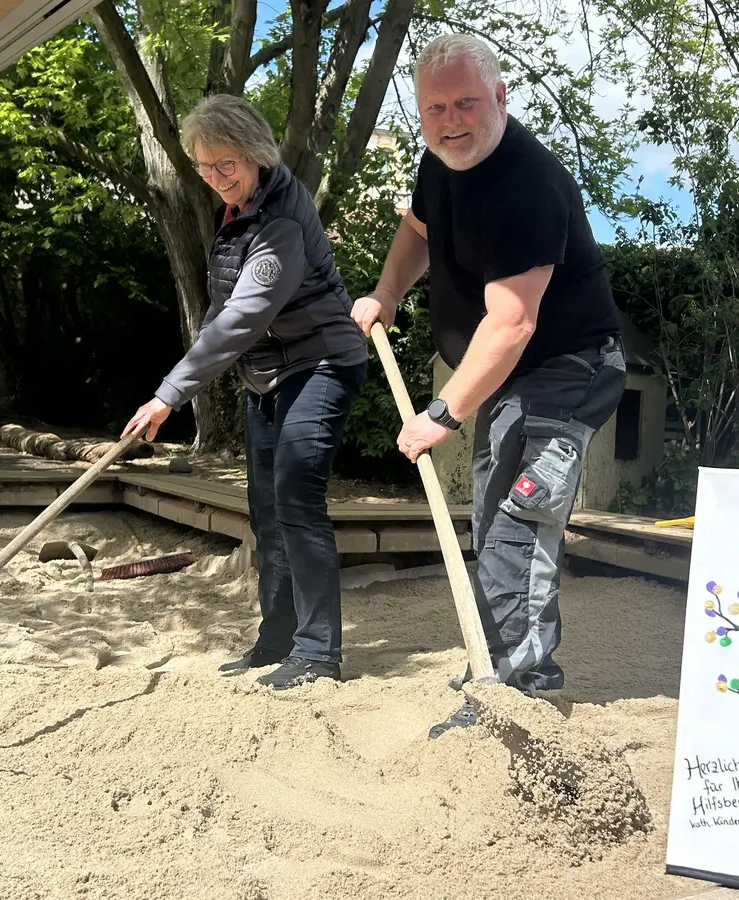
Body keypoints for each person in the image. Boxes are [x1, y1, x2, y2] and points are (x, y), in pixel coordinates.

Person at [350, 34, 628, 736]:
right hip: (512, 378)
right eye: (435, 108)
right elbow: (416, 229)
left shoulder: (526, 185)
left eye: (467, 102)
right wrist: (386, 294)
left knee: (516, 522)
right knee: (493, 512)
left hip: (566, 368)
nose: (451, 120)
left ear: (500, 98)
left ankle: (517, 695)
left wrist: (441, 412)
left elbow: (511, 324)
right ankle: (499, 664)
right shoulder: (441, 162)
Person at [122, 94, 369, 690]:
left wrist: (169, 393)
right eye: (204, 168)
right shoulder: (234, 214)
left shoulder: (282, 218)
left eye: (225, 165)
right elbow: (218, 311)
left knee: (295, 498)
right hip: (266, 377)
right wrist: (175, 388)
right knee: (264, 510)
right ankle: (276, 639)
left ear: (256, 155)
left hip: (322, 364)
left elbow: (244, 317)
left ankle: (316, 652)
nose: (214, 179)